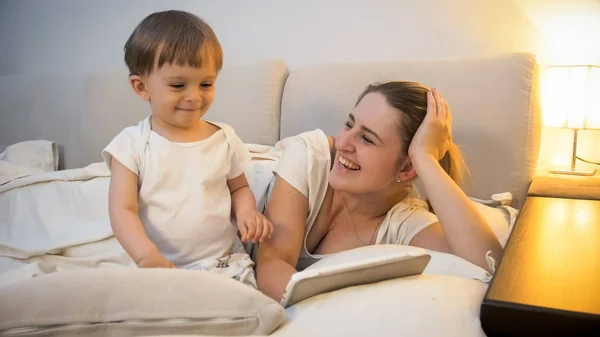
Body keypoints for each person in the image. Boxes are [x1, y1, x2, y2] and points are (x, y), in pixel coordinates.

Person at [256, 81, 504, 300]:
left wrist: (425, 158)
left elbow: (489, 270)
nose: (342, 143)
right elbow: (271, 265)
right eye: (349, 124)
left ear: (407, 168)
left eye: (367, 139)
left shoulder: (402, 219)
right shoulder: (311, 155)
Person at [101, 10, 272, 288]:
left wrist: (247, 213)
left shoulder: (224, 138)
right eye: (178, 85)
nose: (194, 96)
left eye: (206, 83)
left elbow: (239, 188)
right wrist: (147, 257)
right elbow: (122, 209)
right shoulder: (131, 144)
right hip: (157, 265)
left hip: (222, 262)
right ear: (141, 87)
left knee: (241, 307)